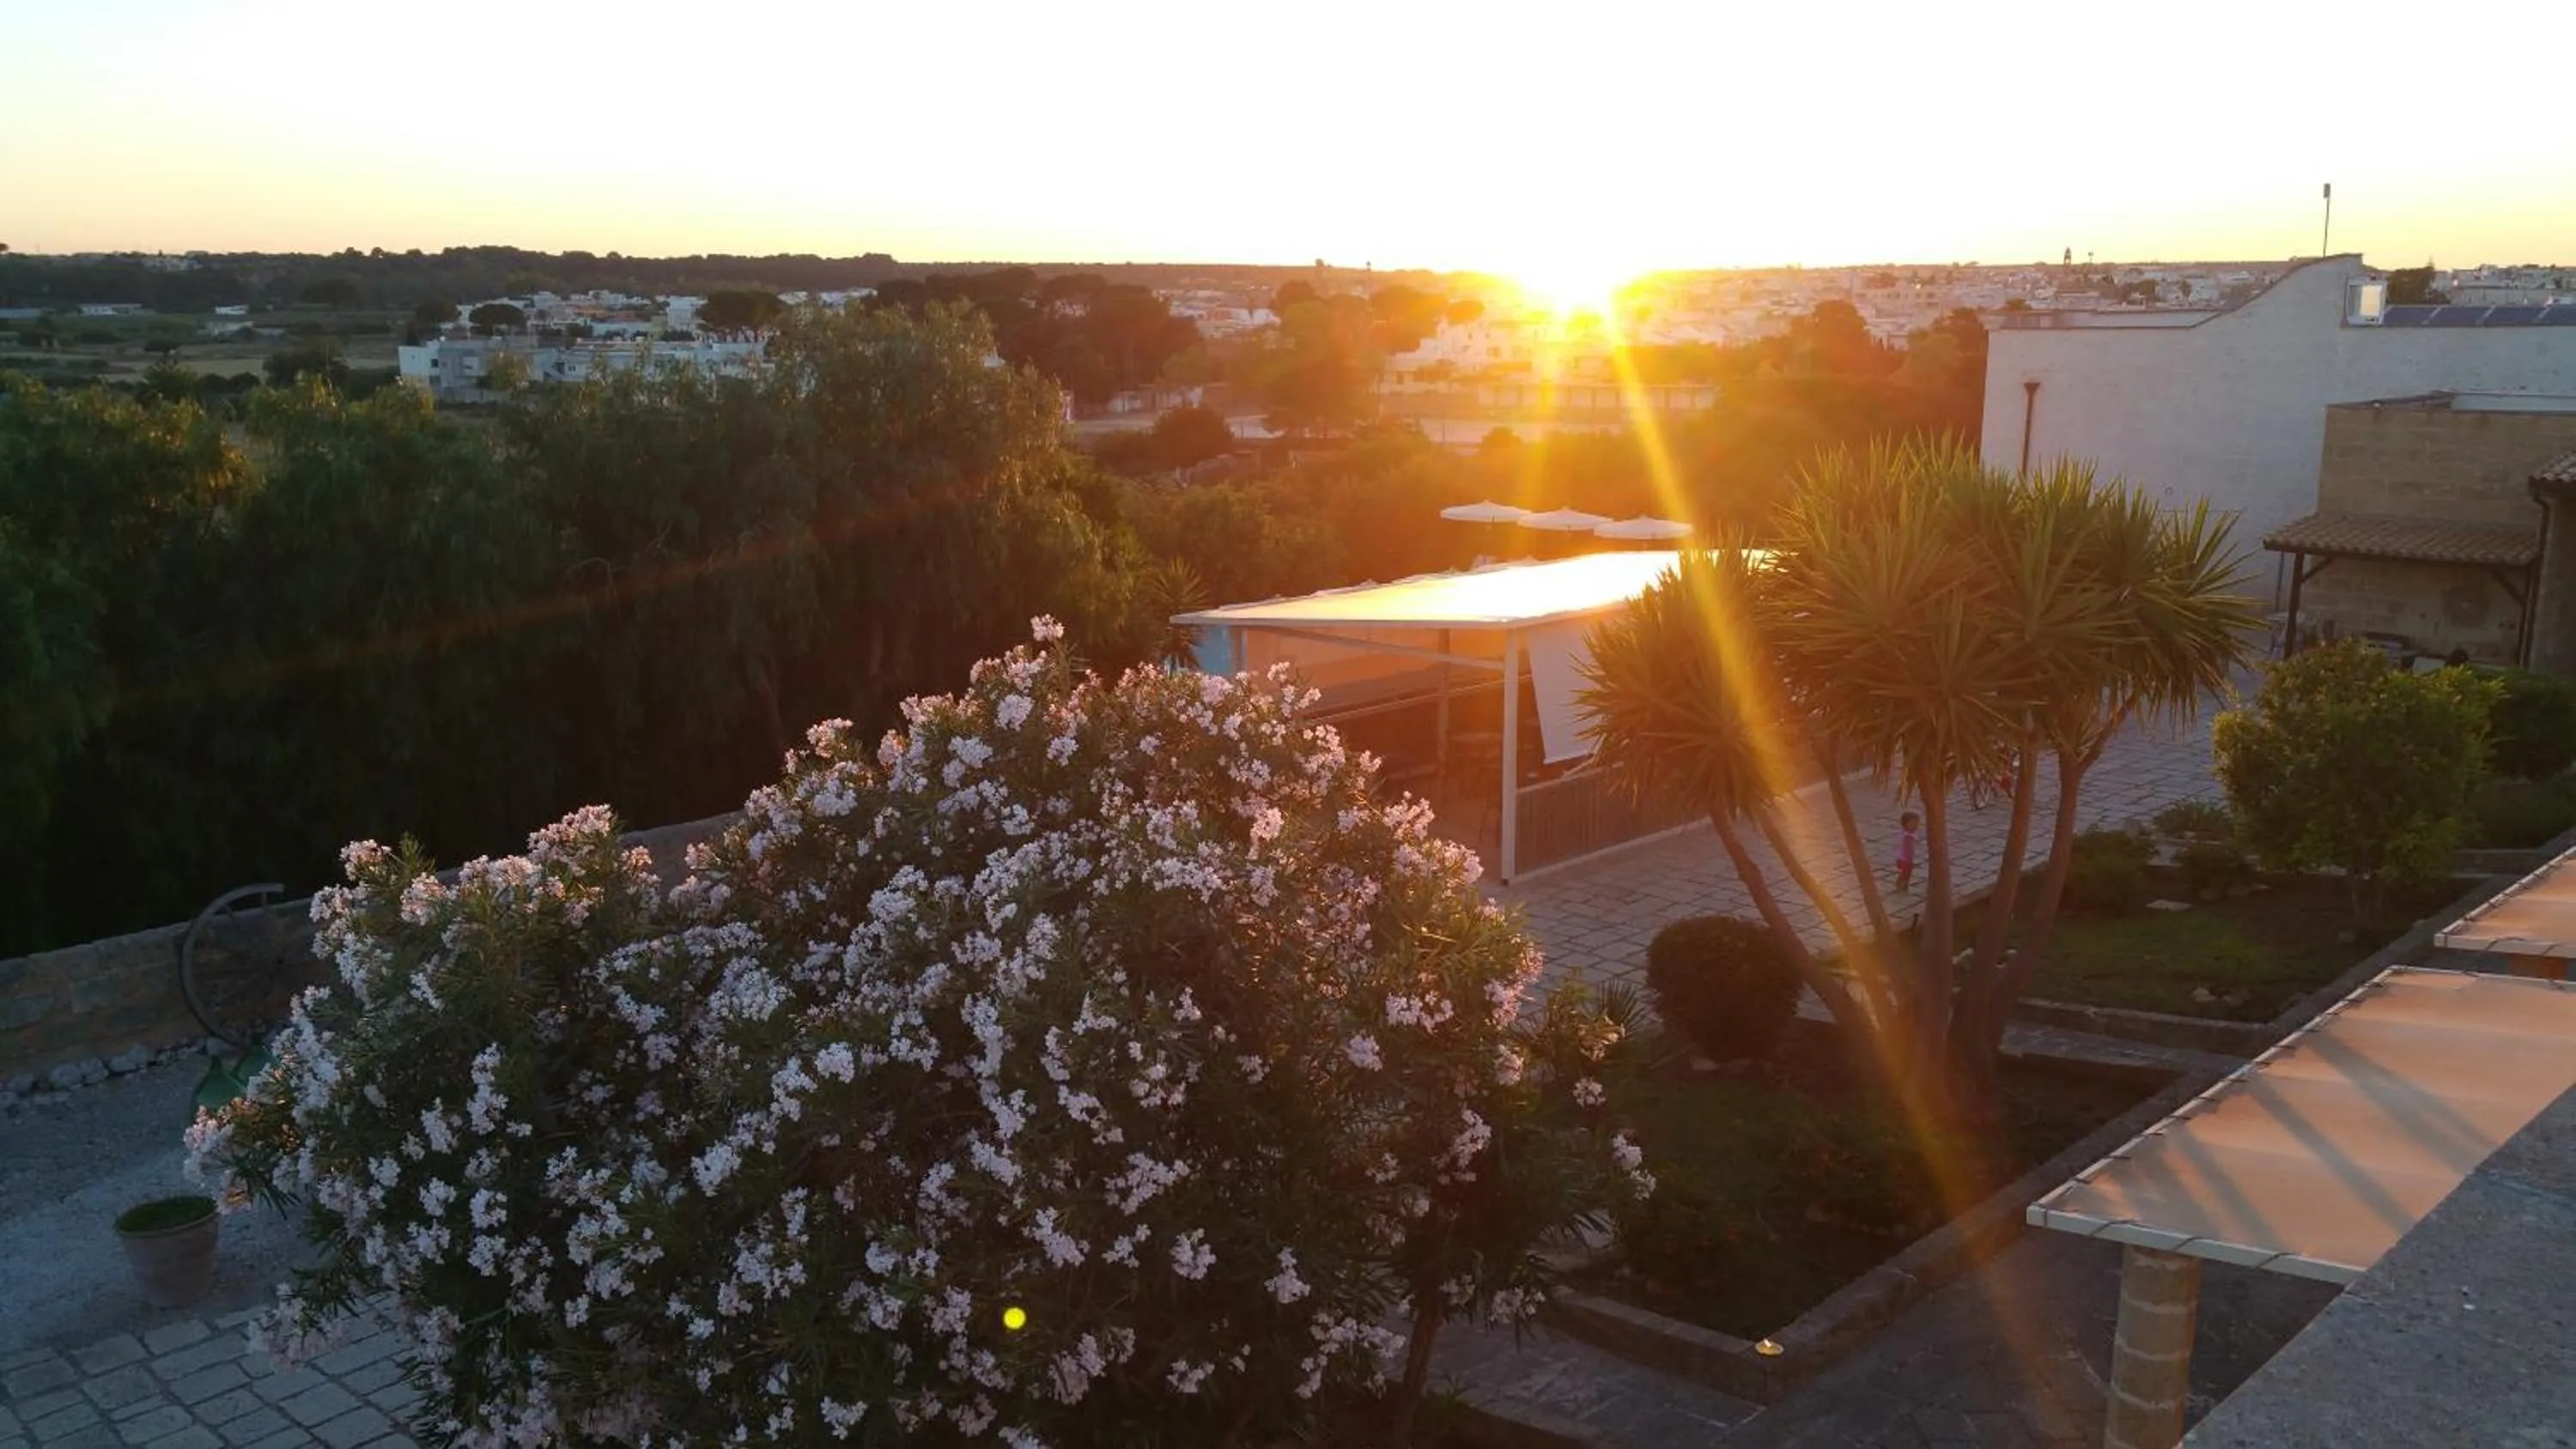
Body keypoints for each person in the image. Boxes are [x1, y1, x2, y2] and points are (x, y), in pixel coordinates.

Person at [1893, 810, 1920, 894]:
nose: (1915, 826)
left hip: (1906, 857)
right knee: (1905, 872)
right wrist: (1909, 859)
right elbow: (1907, 849)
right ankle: (1900, 885)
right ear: (1906, 824)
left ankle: (1904, 885)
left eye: (1916, 823)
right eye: (1913, 823)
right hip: (1905, 858)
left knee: (1907, 872)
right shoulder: (1907, 836)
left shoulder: (1910, 834)